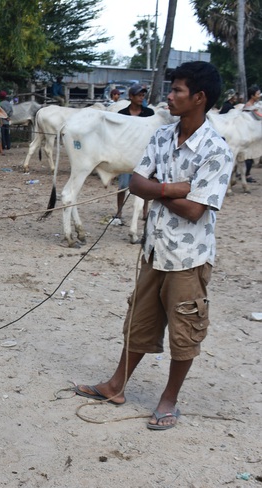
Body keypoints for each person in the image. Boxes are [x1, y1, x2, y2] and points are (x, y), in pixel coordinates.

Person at [73, 61, 233, 430]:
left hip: (188, 258)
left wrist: (155, 190)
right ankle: (116, 385)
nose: (170, 97)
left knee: (184, 330)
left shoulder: (216, 150)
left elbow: (195, 210)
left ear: (199, 98)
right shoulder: (162, 136)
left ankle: (169, 399)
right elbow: (135, 184)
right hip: (155, 248)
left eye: (177, 90)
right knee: (139, 322)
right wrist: (171, 188)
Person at [113, 83, 155, 225]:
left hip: (144, 155)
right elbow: (118, 135)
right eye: (138, 95)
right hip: (127, 154)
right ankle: (119, 212)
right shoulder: (122, 114)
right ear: (131, 97)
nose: (141, 98)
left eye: (143, 95)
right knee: (123, 185)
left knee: (145, 185)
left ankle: (144, 212)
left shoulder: (149, 114)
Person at [242, 85, 260, 183]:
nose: (259, 95)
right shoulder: (249, 107)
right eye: (257, 94)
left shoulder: (254, 106)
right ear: (252, 96)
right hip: (248, 135)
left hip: (252, 134)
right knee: (248, 157)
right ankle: (246, 175)